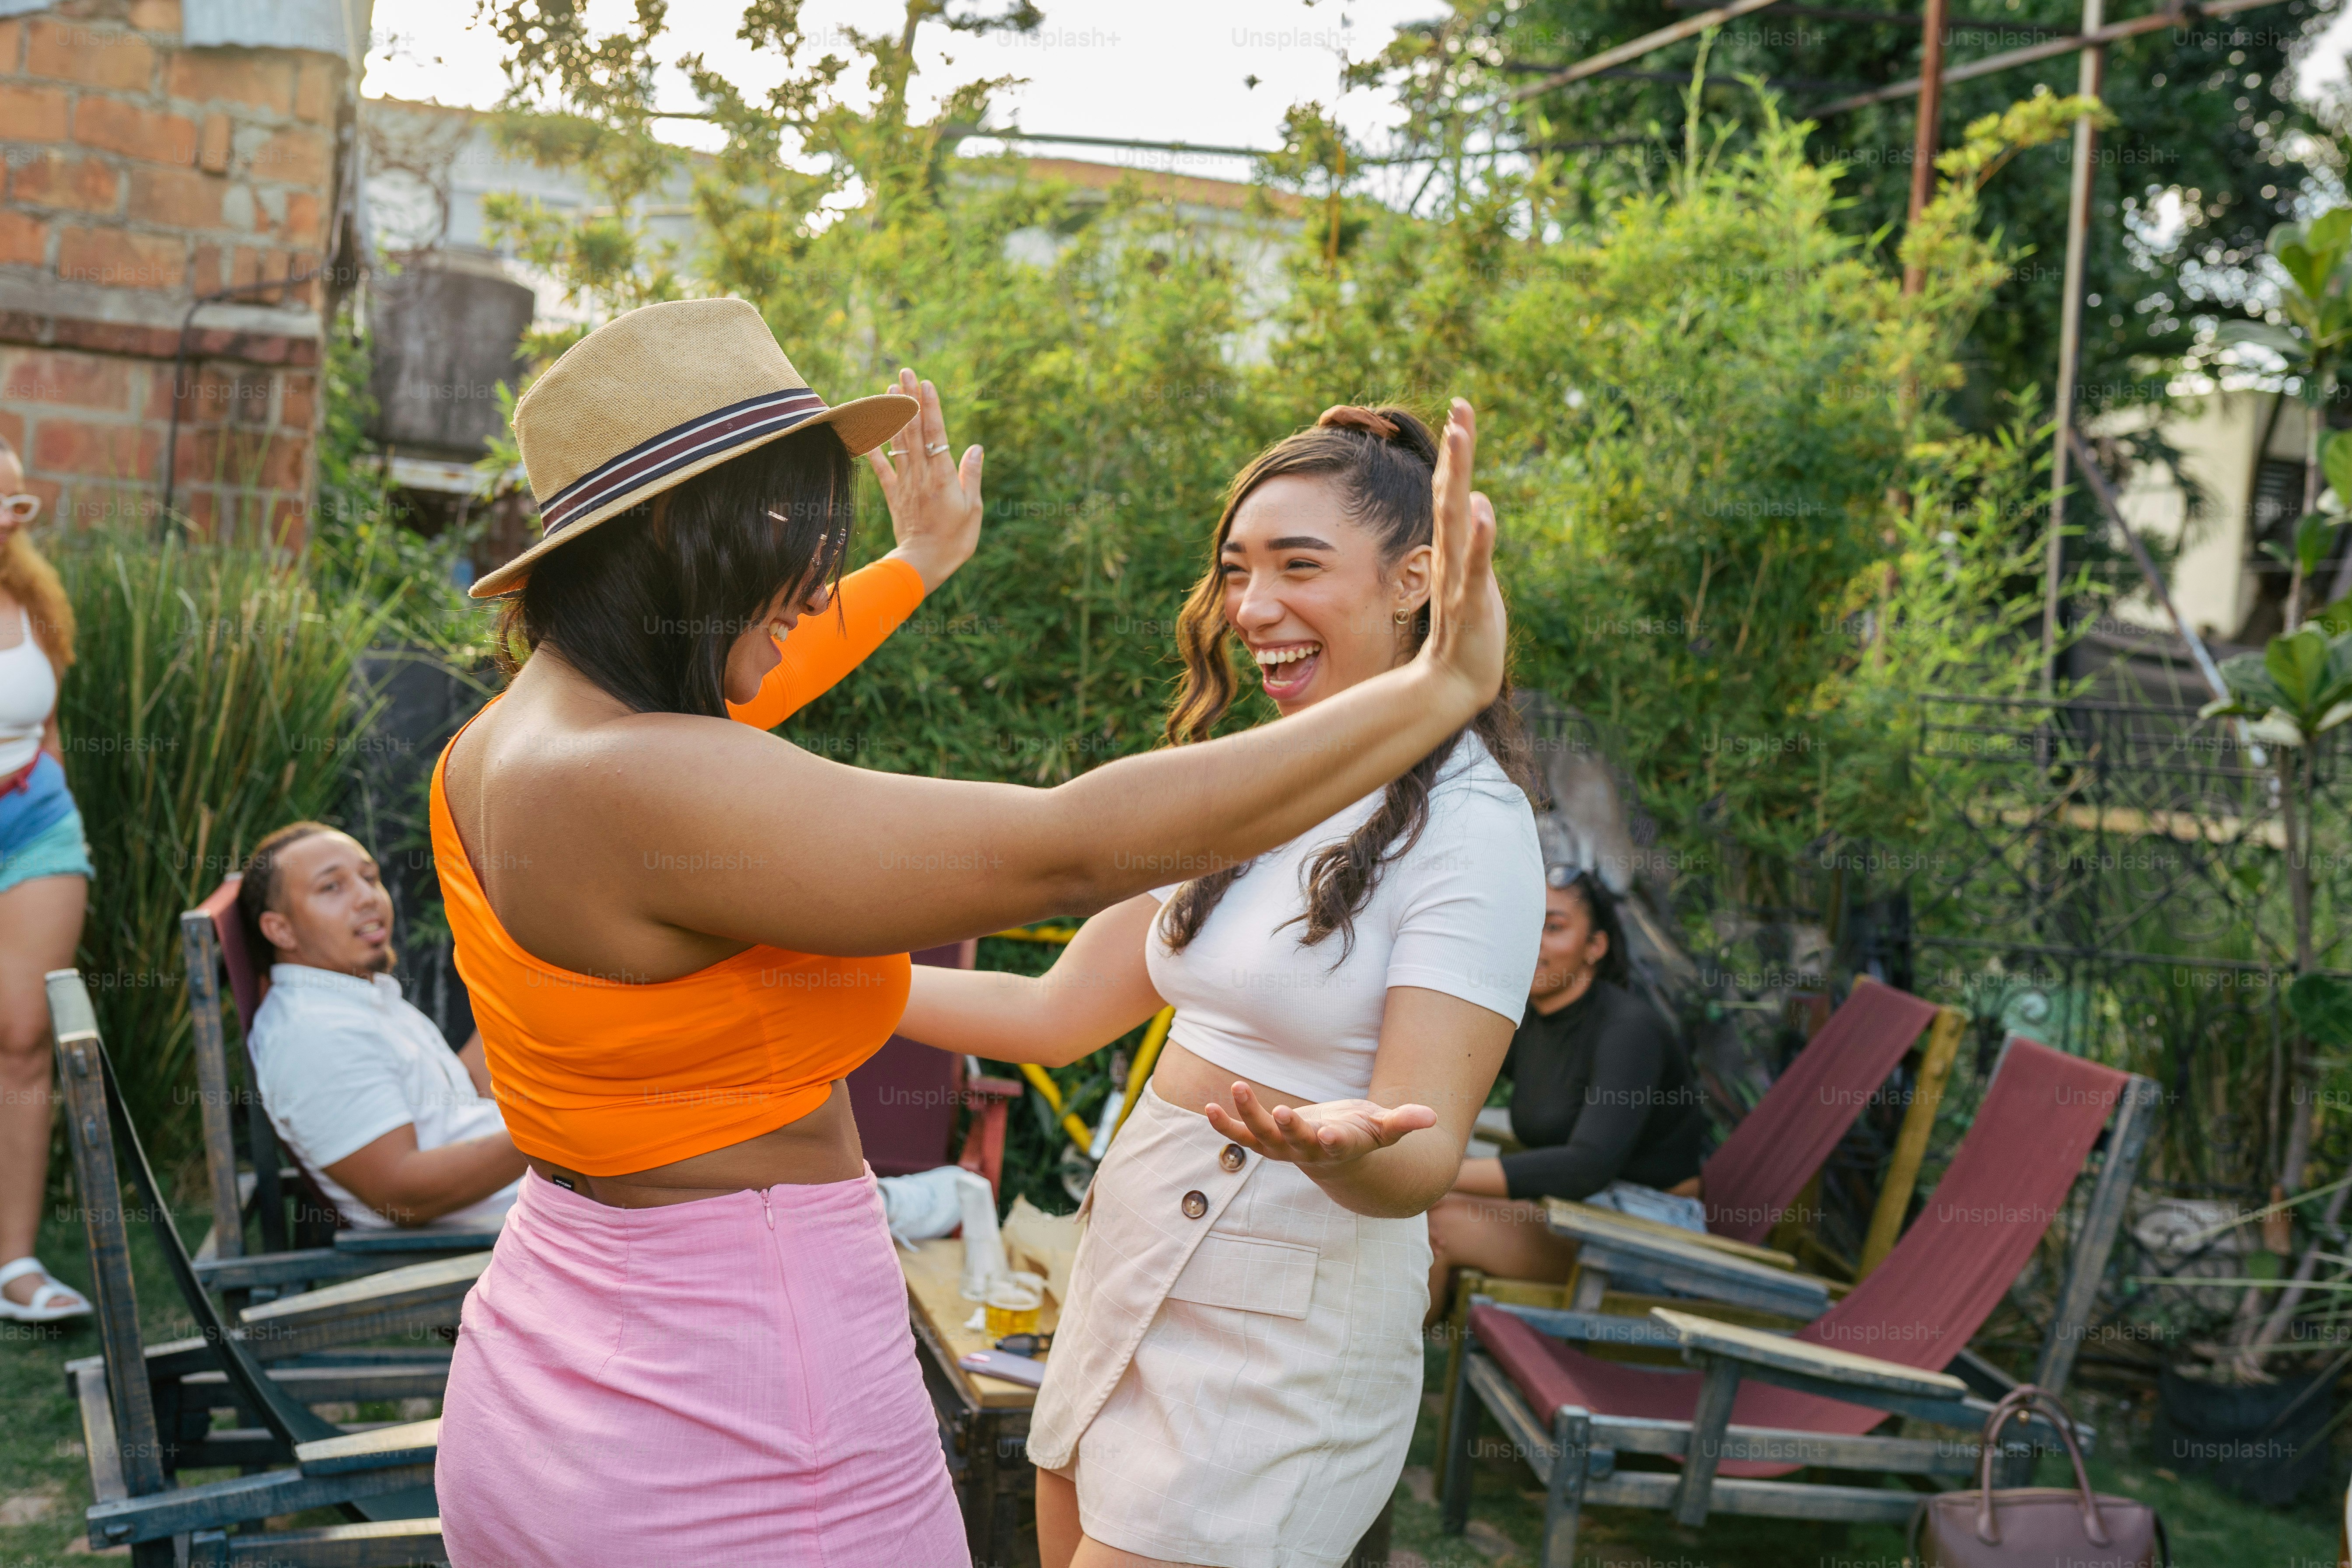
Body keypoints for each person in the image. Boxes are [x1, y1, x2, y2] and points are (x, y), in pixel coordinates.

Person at [427, 299, 1507, 1568]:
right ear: (680, 533)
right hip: (734, 1420)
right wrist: (1438, 687)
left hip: (570, 1361)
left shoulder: (512, 743)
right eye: (804, 532)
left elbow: (771, 667)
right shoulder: (632, 780)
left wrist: (919, 563)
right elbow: (1061, 847)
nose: (822, 579)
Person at [894, 404, 1543, 1568]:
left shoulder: (1474, 830)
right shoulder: (1252, 790)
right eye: (1237, 571)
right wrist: (824, 980)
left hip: (1279, 1334)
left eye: (1299, 567)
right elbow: (1054, 1011)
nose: (1251, 610)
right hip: (1131, 1257)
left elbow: (1421, 1159)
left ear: (1416, 581)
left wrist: (1345, 1150)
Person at [1424, 865, 1709, 1316]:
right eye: (1523, 924)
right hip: (1571, 1211)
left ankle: (1387, 1374)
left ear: (1594, 946)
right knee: (1411, 1214)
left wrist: (1434, 1175)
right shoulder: (1529, 1021)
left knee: (1437, 1218)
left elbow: (1587, 1165)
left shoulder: (1628, 1032)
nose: (1531, 943)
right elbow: (1453, 1086)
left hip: (1649, 1236)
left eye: (1552, 927)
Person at [240, 822, 524, 1232]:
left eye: (369, 877)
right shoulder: (314, 1034)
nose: (367, 897)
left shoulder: (351, 995)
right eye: (332, 887)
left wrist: (518, 999)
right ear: (280, 929)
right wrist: (556, 1128)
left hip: (546, 1190)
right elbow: (401, 1193)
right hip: (514, 1227)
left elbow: (456, 1094)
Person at [0, 438, 94, 1324]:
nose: (9, 521)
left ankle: (15, 1263)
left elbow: (49, 721)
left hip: (34, 817)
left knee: (26, 1035)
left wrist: (55, 791)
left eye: (18, 505)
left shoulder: (31, 594)